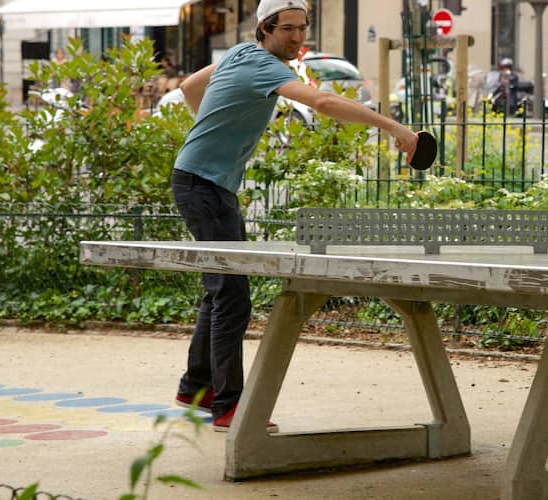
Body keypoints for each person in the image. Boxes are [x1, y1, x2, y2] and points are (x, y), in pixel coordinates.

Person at [170, 0, 419, 433]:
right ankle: (229, 407)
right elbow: (322, 102)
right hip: (204, 187)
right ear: (265, 29)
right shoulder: (263, 65)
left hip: (204, 182)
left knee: (220, 287)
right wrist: (394, 127)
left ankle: (197, 387)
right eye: (289, 29)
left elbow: (192, 87)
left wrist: (212, 129)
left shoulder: (238, 55)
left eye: (304, 28)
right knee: (232, 295)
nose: (299, 38)